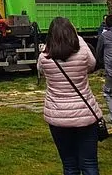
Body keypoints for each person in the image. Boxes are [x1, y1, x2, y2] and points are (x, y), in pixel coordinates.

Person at [38, 17, 103, 175]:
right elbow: (92, 65)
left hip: (58, 116)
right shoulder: (82, 53)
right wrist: (78, 38)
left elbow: (40, 70)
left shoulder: (44, 58)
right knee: (89, 164)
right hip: (85, 114)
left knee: (69, 165)